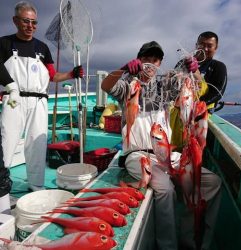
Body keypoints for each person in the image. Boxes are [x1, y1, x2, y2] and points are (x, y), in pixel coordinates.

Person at [101, 41, 221, 250]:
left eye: (155, 60)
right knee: (165, 190)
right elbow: (106, 86)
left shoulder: (164, 85)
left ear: (160, 63)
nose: (150, 64)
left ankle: (190, 239)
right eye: (146, 59)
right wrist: (122, 69)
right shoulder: (128, 86)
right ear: (138, 60)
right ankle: (168, 246)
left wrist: (195, 72)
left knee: (212, 182)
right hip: (138, 155)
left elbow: (195, 90)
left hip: (165, 153)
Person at [0, 1, 84, 193]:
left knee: (37, 145)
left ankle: (36, 186)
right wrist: (11, 87)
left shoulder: (42, 48)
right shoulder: (4, 43)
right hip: (14, 100)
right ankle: (1, 184)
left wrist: (72, 73)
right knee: (6, 142)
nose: (31, 26)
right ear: (15, 21)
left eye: (34, 22)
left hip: (39, 102)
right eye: (26, 21)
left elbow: (52, 76)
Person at [171, 31, 228, 149]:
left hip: (201, 115)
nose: (205, 48)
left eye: (209, 45)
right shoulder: (183, 63)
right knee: (174, 147)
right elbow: (172, 87)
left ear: (216, 48)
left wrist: (197, 106)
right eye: (202, 44)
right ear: (196, 45)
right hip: (178, 112)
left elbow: (218, 92)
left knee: (193, 148)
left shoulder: (219, 67)